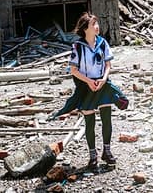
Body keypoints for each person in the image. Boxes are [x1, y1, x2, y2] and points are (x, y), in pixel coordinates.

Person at [49, 12, 127, 169]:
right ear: (85, 28)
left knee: (107, 118)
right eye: (93, 25)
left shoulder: (103, 43)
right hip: (86, 87)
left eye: (97, 23)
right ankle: (93, 156)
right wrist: (89, 82)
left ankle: (107, 151)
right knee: (89, 121)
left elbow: (108, 65)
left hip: (102, 84)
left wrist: (104, 79)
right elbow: (74, 70)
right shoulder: (78, 47)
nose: (97, 27)